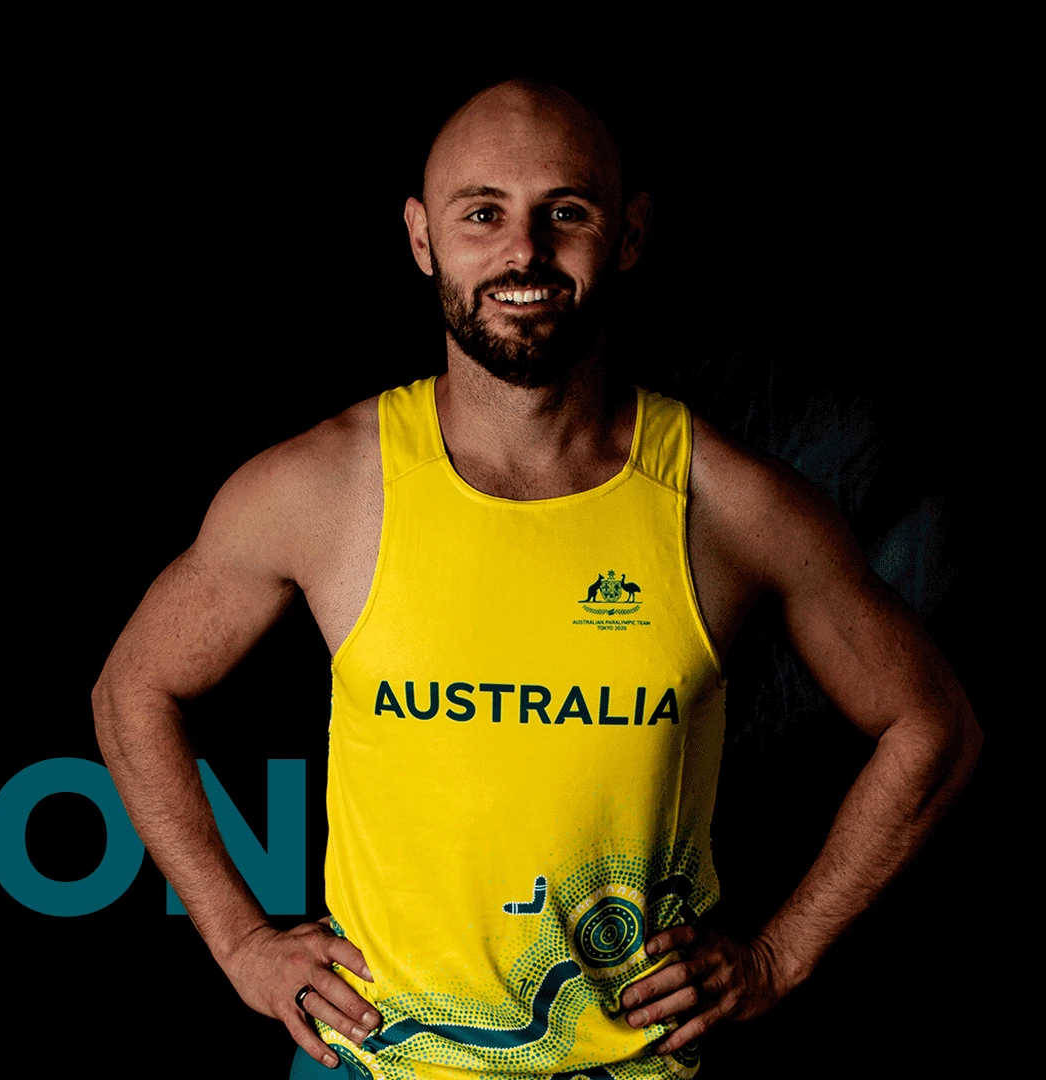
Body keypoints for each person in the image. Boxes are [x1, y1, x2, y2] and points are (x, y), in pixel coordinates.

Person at [90, 78, 980, 1079]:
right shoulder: (320, 490)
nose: (524, 254)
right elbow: (132, 689)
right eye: (484, 215)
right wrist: (239, 942)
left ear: (629, 234)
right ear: (423, 239)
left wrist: (778, 956)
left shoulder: (734, 507)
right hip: (382, 1065)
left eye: (566, 213)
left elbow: (932, 728)